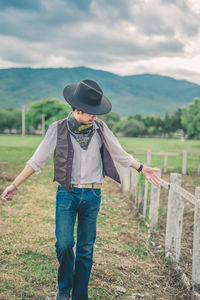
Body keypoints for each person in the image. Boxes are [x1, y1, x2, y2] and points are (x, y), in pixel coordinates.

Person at [1, 79, 161, 300]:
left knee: (86, 249)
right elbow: (37, 160)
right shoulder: (56, 129)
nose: (94, 116)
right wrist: (15, 184)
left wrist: (142, 168)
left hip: (93, 195)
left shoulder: (101, 129)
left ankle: (80, 295)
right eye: (90, 113)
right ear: (76, 109)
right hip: (67, 194)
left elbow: (120, 154)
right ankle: (64, 288)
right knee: (64, 244)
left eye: (96, 112)